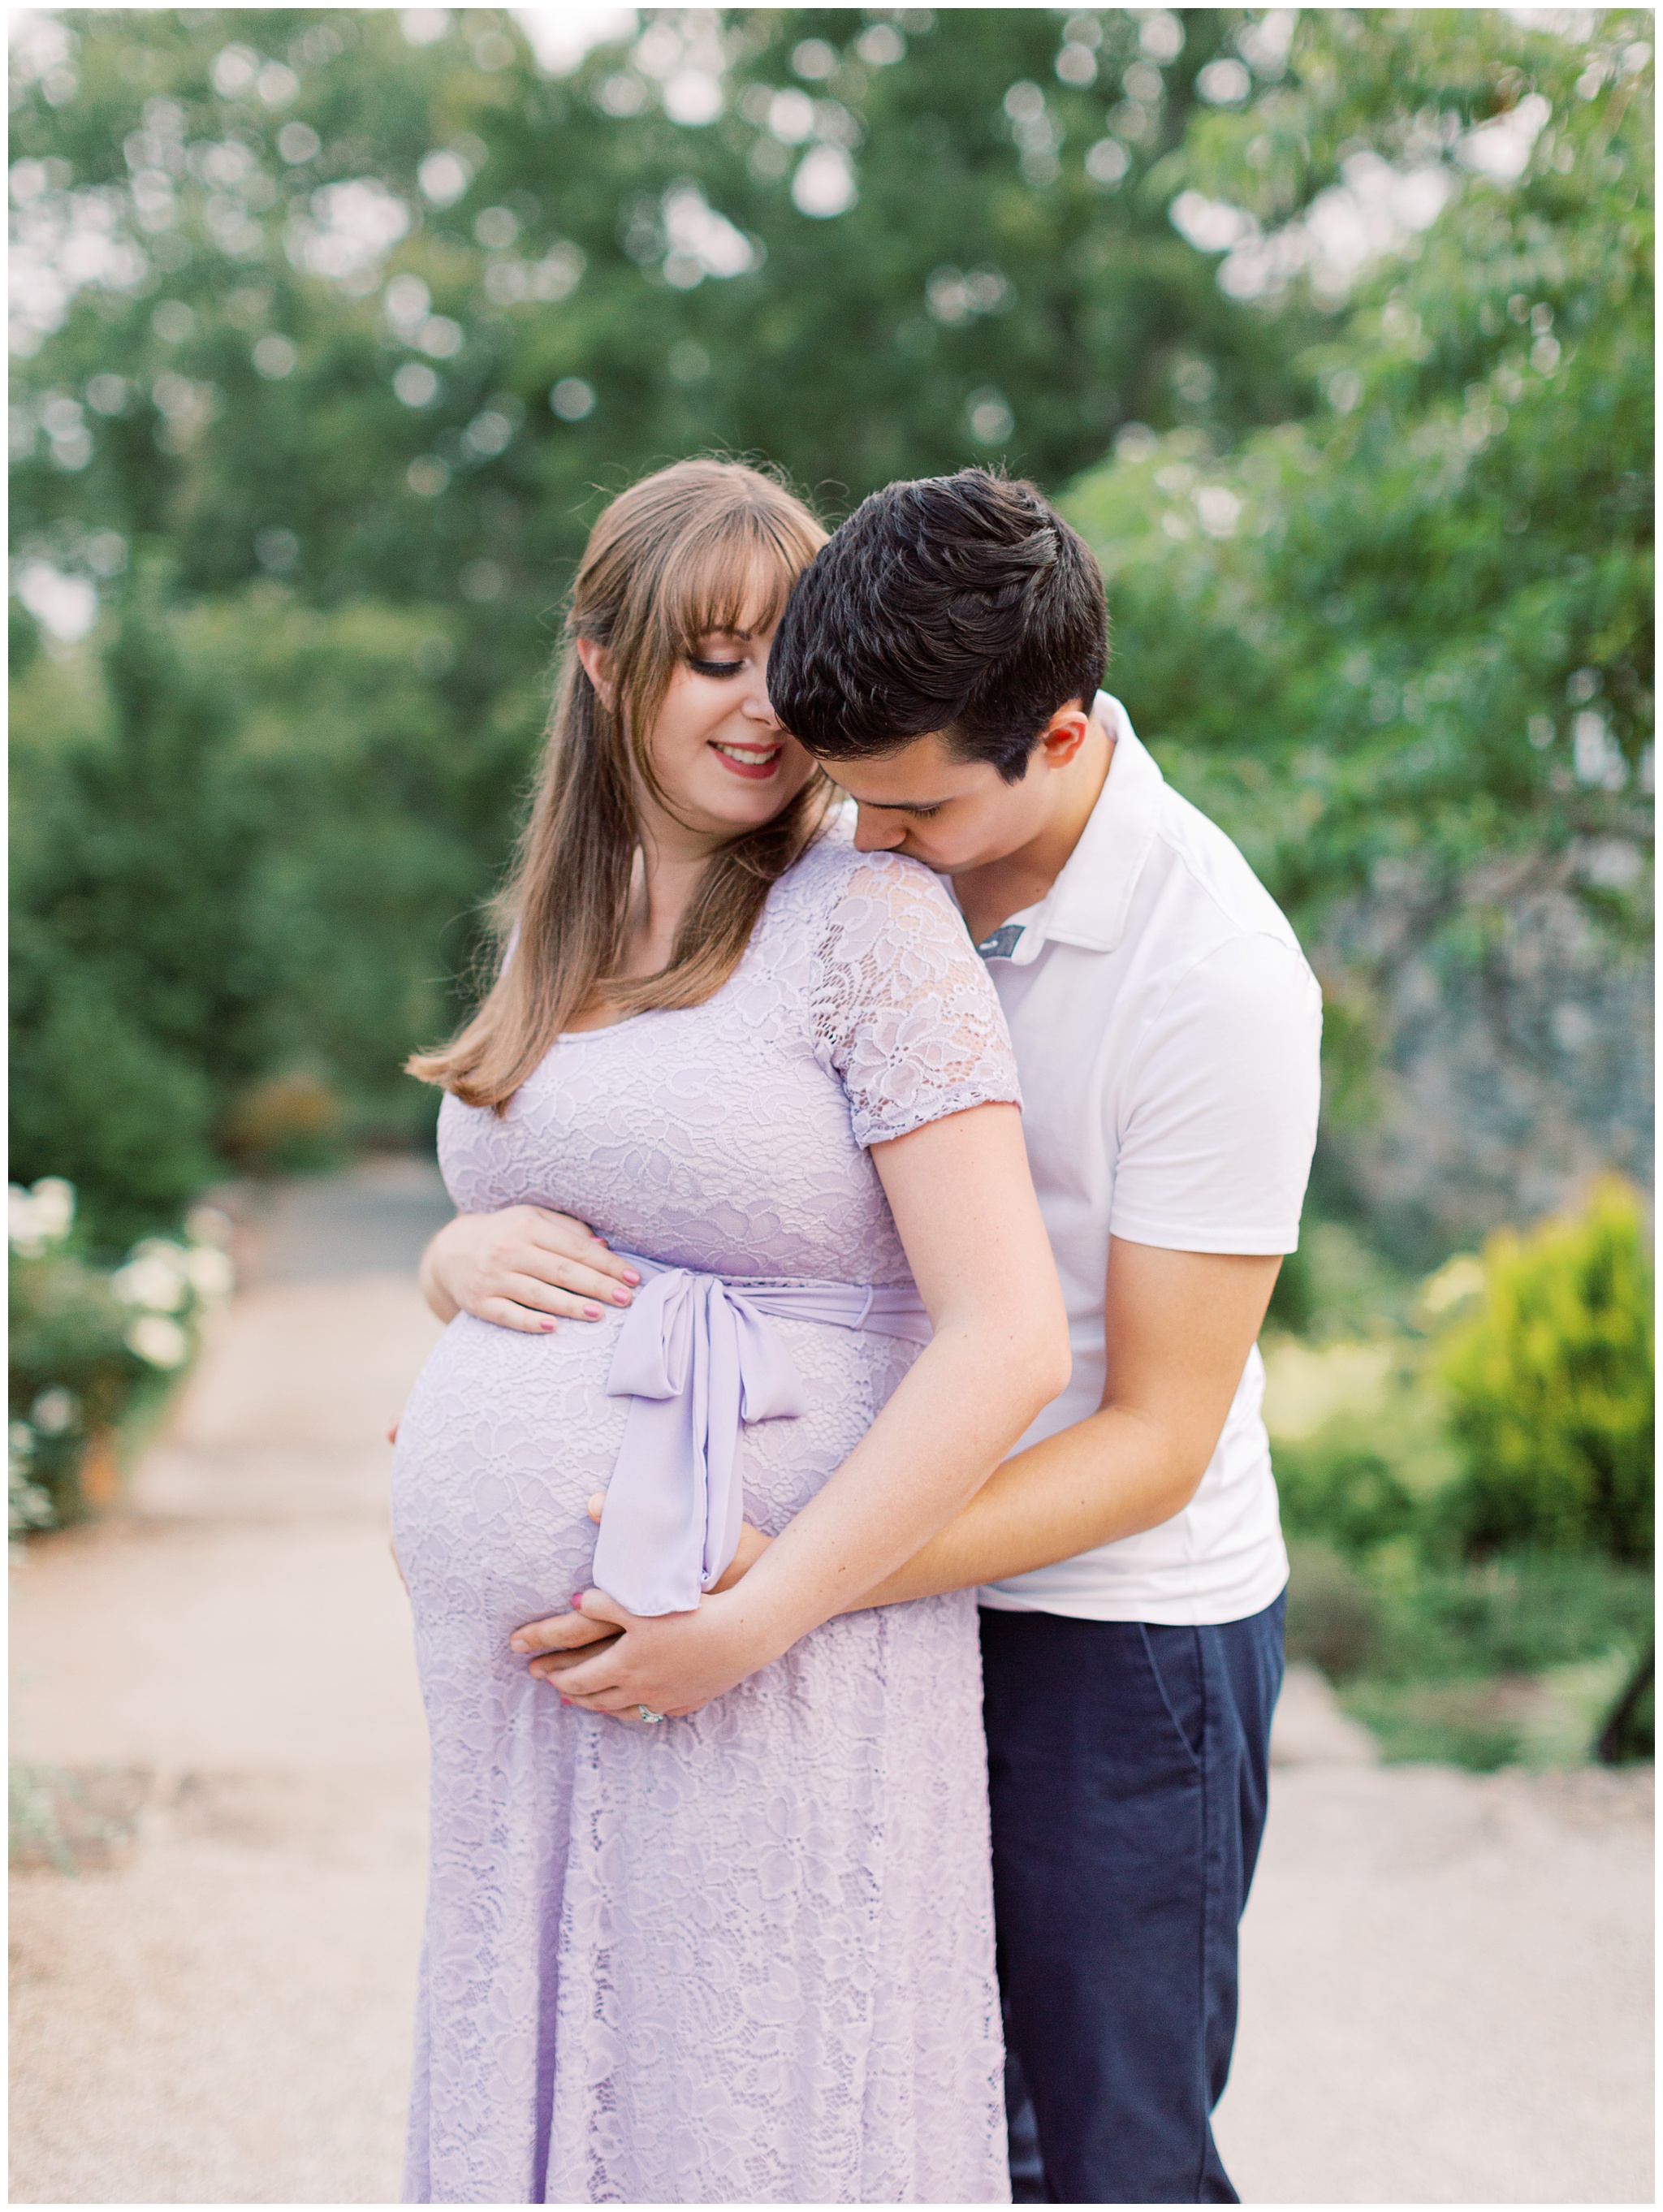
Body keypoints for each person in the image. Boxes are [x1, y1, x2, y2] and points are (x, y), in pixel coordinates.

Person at [487, 470, 1323, 2203]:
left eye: (918, 815)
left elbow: (1151, 1438)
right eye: (846, 800)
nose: (869, 848)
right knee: (910, 2120)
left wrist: (780, 1585)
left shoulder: (1210, 980)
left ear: (1065, 739)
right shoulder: (872, 836)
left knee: (1102, 2151)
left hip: (1110, 1630)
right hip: (880, 1602)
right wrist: (470, 1278)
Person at [392, 457, 1070, 2205]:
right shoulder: (560, 929)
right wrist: (455, 1275)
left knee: (746, 2120)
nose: (760, 705)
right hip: (530, 1724)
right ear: (604, 669)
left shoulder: (866, 920)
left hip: (772, 1658)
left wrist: (751, 1621)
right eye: (709, 657)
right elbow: (570, 1201)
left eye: (783, 655)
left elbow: (1003, 1341)